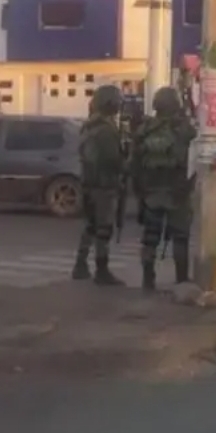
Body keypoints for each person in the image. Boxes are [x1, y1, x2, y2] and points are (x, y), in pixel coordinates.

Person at [132, 86, 197, 291]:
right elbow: (193, 158)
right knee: (180, 238)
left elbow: (134, 163)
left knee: (150, 239)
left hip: (151, 192)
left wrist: (139, 192)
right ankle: (181, 280)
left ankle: (148, 280)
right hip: (177, 193)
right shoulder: (184, 129)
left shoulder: (145, 130)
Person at [71, 85, 126, 286]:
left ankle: (80, 264)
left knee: (91, 226)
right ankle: (101, 270)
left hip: (89, 183)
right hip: (104, 185)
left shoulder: (89, 126)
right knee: (103, 229)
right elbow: (113, 160)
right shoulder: (107, 130)